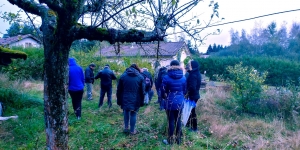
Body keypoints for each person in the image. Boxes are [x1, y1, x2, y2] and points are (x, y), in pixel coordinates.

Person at [161, 60, 186, 145]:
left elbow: (163, 91)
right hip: (180, 102)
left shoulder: (166, 77)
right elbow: (185, 90)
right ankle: (178, 140)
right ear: (178, 66)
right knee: (178, 120)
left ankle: (170, 140)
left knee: (170, 121)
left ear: (170, 66)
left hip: (170, 102)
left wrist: (165, 97)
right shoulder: (183, 77)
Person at [117, 64, 145, 135]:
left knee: (126, 112)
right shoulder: (140, 77)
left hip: (125, 97)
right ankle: (132, 131)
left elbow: (119, 89)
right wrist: (142, 100)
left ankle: (126, 128)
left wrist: (119, 99)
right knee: (133, 114)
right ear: (137, 69)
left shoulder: (123, 76)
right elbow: (143, 91)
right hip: (136, 99)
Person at [186, 60, 201, 132]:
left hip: (192, 96)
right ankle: (189, 125)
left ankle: (194, 127)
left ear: (192, 66)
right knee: (191, 111)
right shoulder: (196, 73)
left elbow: (192, 87)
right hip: (195, 95)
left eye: (189, 65)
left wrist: (187, 93)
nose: (188, 66)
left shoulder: (193, 74)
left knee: (192, 112)